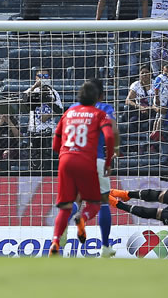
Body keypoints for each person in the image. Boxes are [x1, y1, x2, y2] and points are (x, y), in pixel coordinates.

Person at [48, 81, 115, 256]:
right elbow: (110, 135)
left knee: (68, 204)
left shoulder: (69, 111)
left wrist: (63, 154)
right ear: (98, 96)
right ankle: (104, 245)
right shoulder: (101, 112)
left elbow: (56, 141)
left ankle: (56, 240)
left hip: (66, 160)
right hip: (93, 159)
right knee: (100, 202)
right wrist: (110, 159)